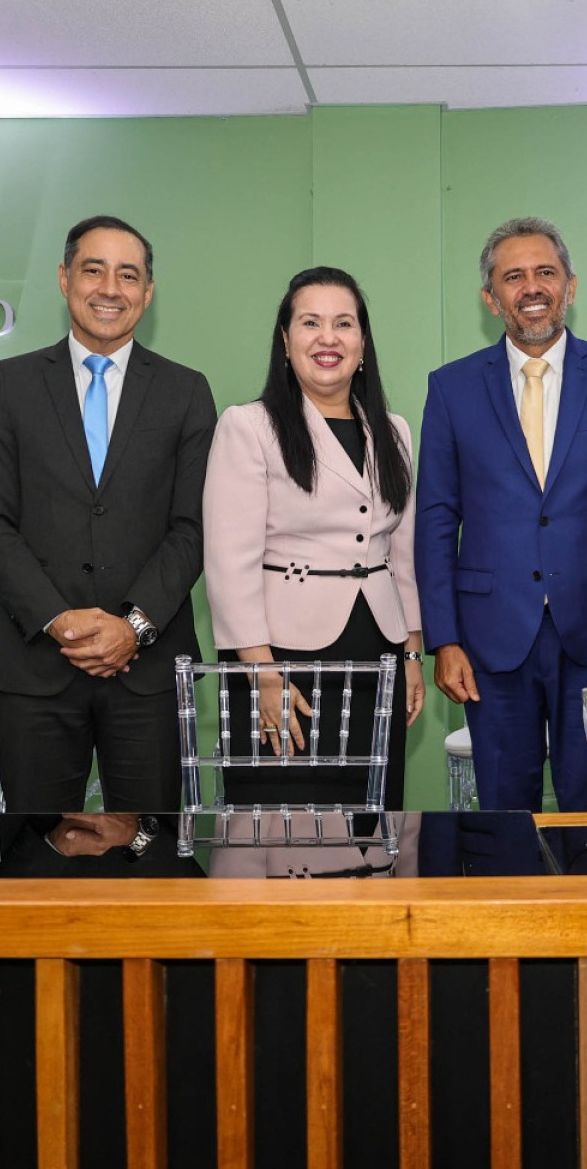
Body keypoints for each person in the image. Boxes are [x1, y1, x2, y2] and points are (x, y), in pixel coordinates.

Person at [0, 215, 215, 813]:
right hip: (35, 669)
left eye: (128, 275)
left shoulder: (186, 391)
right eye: (93, 270)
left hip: (149, 672)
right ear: (64, 279)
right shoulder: (9, 384)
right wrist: (58, 620)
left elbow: (193, 527)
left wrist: (133, 626)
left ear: (148, 292)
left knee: (151, 849)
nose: (110, 289)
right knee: (35, 852)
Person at [415, 217, 587, 813]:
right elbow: (437, 519)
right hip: (490, 638)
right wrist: (444, 639)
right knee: (504, 813)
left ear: (570, 286)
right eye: (513, 276)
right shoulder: (450, 388)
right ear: (489, 297)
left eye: (545, 272)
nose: (532, 287)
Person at [202, 266, 424, 807]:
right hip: (281, 659)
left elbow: (403, 552)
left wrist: (413, 652)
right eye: (311, 323)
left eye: (344, 324)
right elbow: (229, 561)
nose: (329, 338)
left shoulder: (393, 430)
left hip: (379, 653)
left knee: (372, 819)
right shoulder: (249, 426)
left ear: (363, 342)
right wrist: (261, 672)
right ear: (285, 340)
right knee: (285, 820)